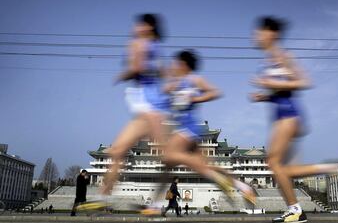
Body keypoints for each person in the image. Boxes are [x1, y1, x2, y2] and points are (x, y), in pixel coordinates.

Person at [250, 16, 338, 223]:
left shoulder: (283, 56)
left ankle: (296, 210)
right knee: (283, 170)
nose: (255, 36)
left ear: (271, 34)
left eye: (259, 32)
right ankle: (326, 169)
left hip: (289, 115)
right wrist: (263, 96)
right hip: (283, 116)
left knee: (273, 162)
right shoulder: (268, 60)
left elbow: (304, 81)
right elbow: (280, 89)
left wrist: (269, 81)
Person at [143, 50, 256, 215]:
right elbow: (163, 87)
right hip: (183, 128)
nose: (173, 66)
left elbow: (215, 92)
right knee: (195, 166)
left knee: (168, 157)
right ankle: (243, 187)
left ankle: (156, 204)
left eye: (175, 63)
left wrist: (194, 98)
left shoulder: (193, 79)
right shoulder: (175, 82)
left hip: (188, 128)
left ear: (184, 65)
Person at [78, 14, 169, 210]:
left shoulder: (140, 44)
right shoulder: (153, 46)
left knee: (168, 156)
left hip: (151, 107)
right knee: (118, 151)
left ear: (148, 27)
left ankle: (158, 203)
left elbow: (138, 68)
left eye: (140, 24)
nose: (135, 27)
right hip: (144, 109)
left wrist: (125, 73)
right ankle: (102, 201)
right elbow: (158, 71)